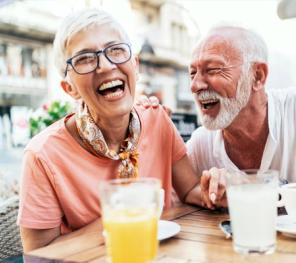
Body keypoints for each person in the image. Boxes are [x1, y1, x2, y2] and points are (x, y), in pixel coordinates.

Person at [17, 9, 210, 252]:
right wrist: (123, 216)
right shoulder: (42, 156)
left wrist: (217, 192)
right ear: (69, 88)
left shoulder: (158, 121)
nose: (106, 66)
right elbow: (37, 255)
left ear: (135, 65)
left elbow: (191, 189)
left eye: (116, 50)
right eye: (85, 58)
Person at [186, 25, 296, 209]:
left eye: (213, 69)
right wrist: (209, 196)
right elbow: (173, 200)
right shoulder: (200, 144)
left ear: (257, 76)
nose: (195, 85)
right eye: (192, 73)